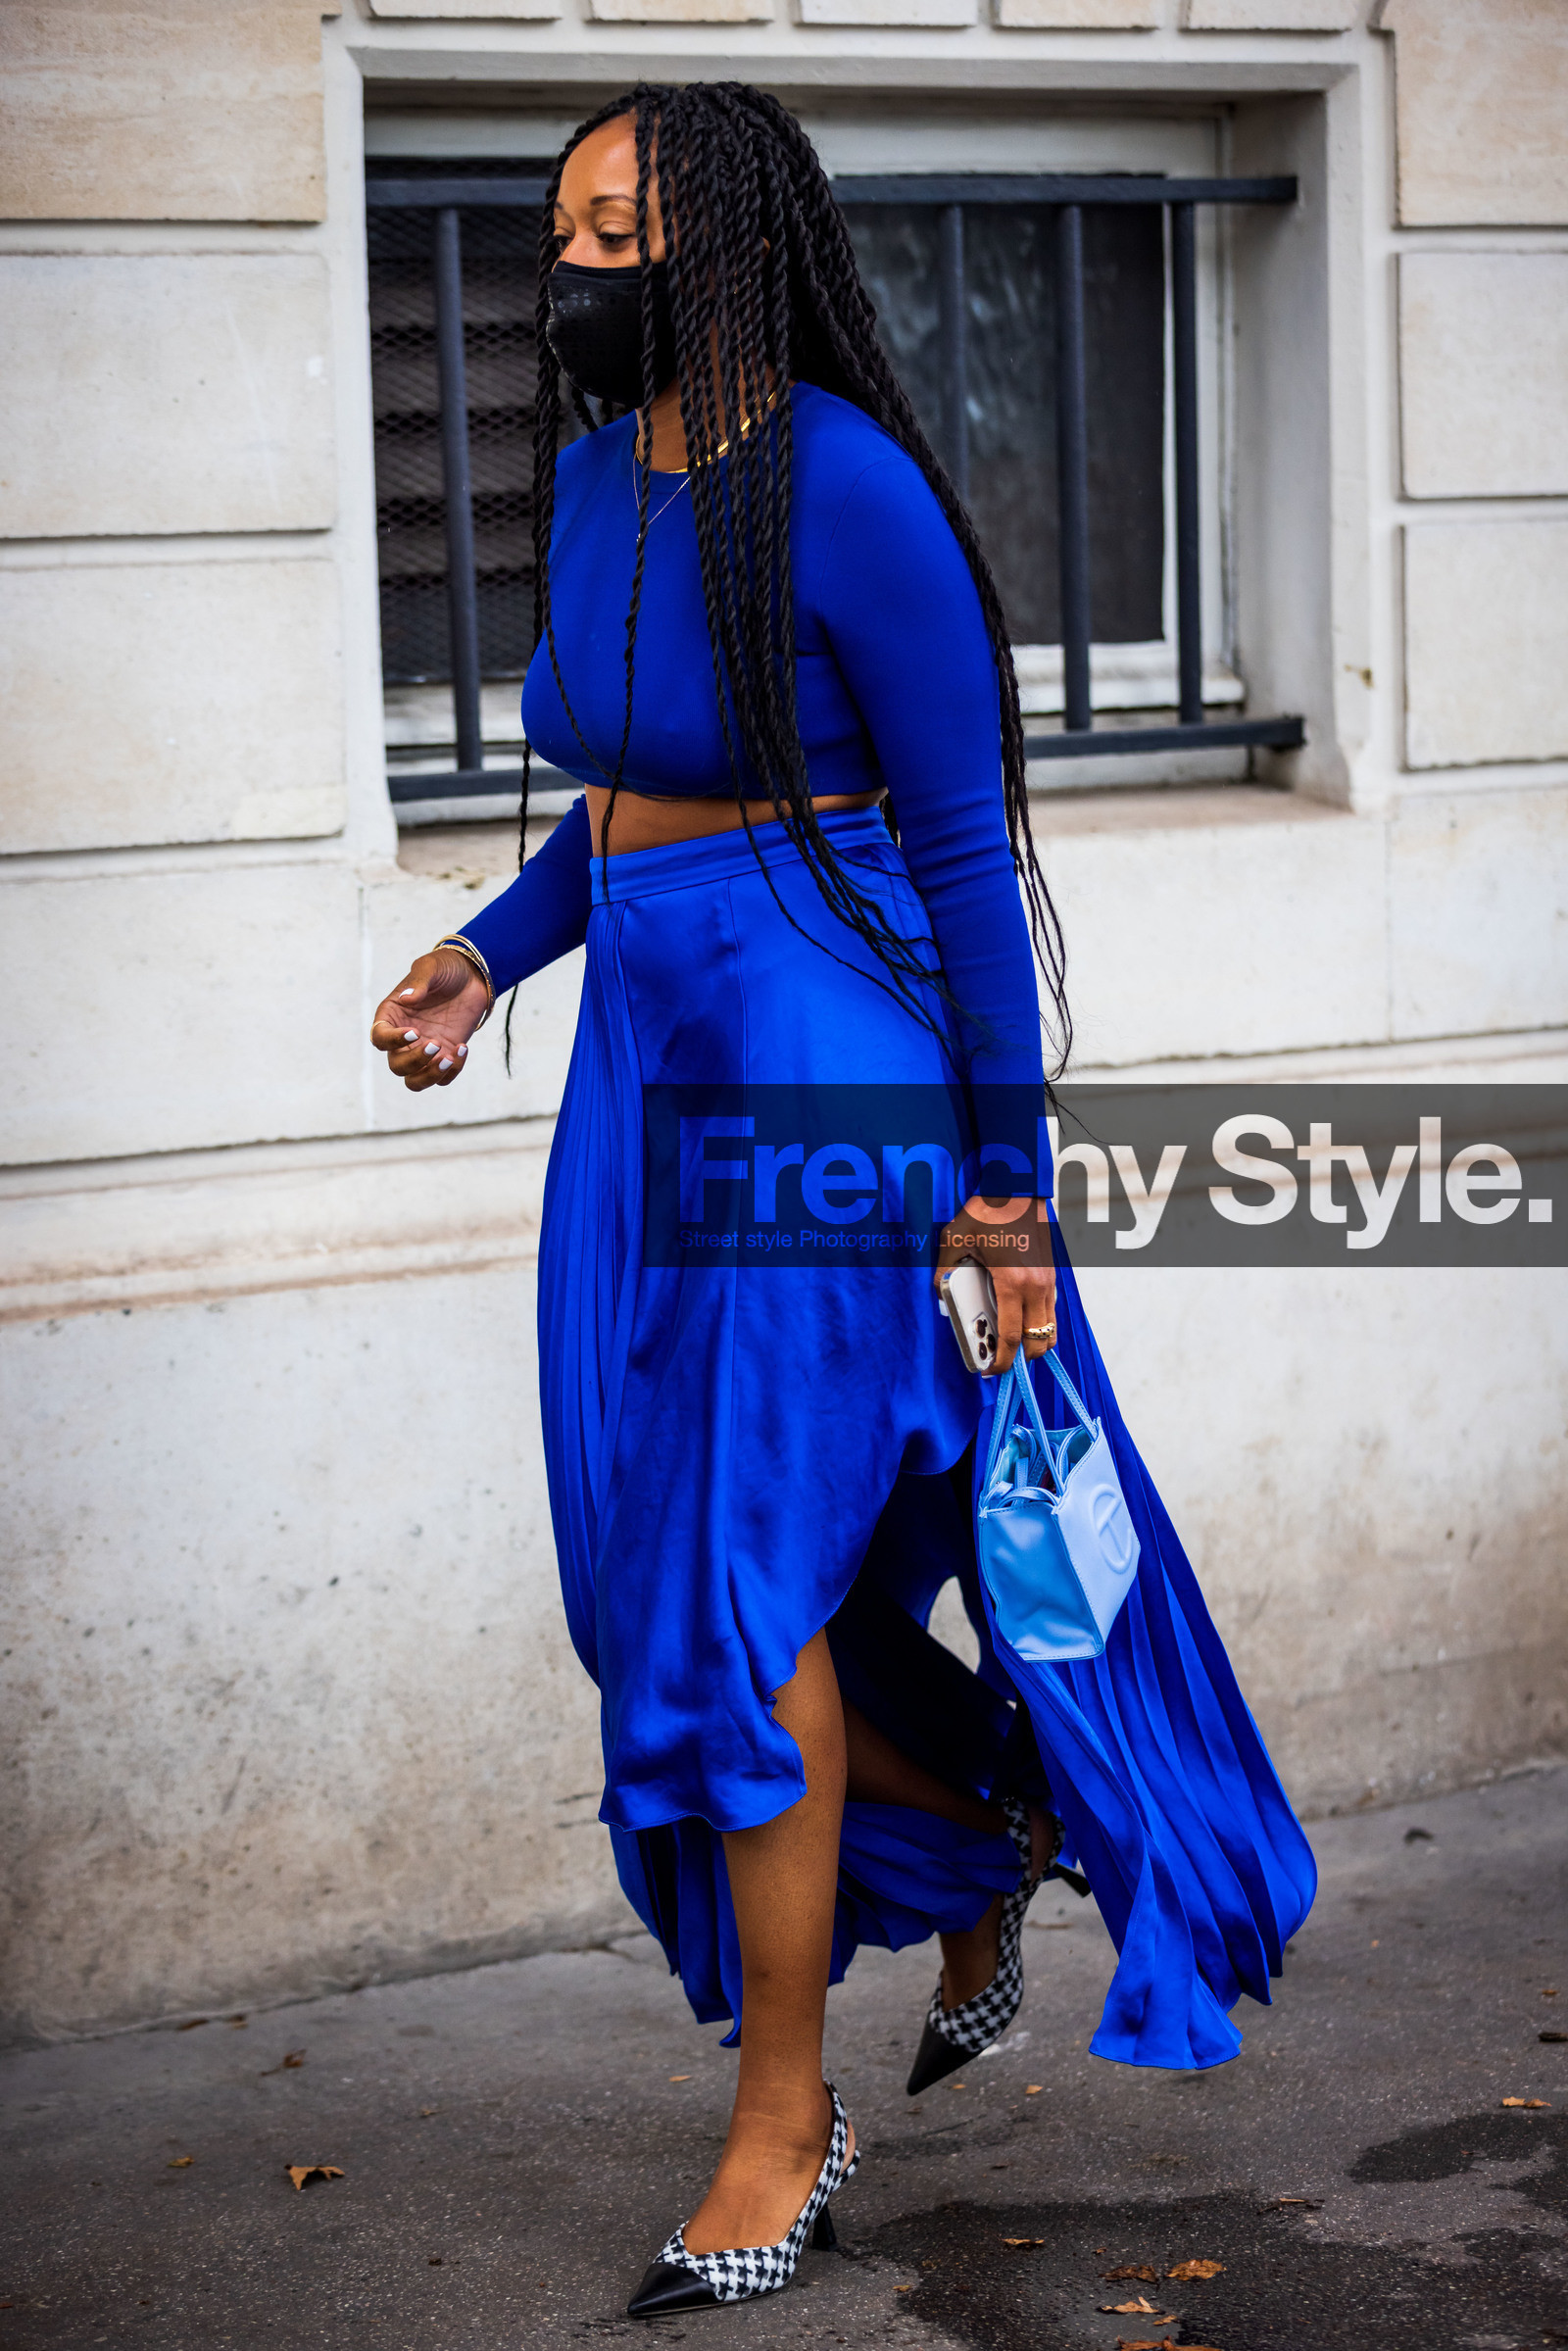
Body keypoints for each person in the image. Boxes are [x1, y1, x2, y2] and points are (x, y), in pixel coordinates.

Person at [370, 82, 1316, 2319]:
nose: (578, 260)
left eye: (626, 225)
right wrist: (485, 957)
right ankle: (987, 1820)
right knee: (647, 1588)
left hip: (820, 1050)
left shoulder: (851, 490)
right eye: (564, 222)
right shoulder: (604, 478)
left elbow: (967, 861)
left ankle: (781, 2115)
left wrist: (1005, 1181)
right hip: (644, 1056)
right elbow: (625, 793)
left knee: (734, 1579)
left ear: (730, 250)